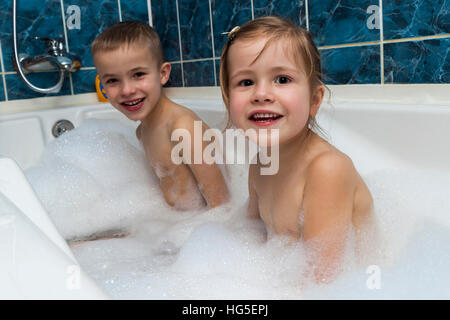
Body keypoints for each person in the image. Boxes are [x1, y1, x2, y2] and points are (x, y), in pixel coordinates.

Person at [219, 16, 374, 283]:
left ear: (314, 101)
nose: (261, 94)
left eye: (281, 79)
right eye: (245, 82)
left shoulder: (327, 169)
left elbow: (324, 282)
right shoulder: (260, 163)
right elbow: (251, 234)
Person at [91, 21, 229, 210]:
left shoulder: (182, 128)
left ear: (163, 74)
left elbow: (221, 204)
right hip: (175, 223)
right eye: (113, 80)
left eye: (138, 74)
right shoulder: (142, 131)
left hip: (202, 227)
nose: (127, 90)